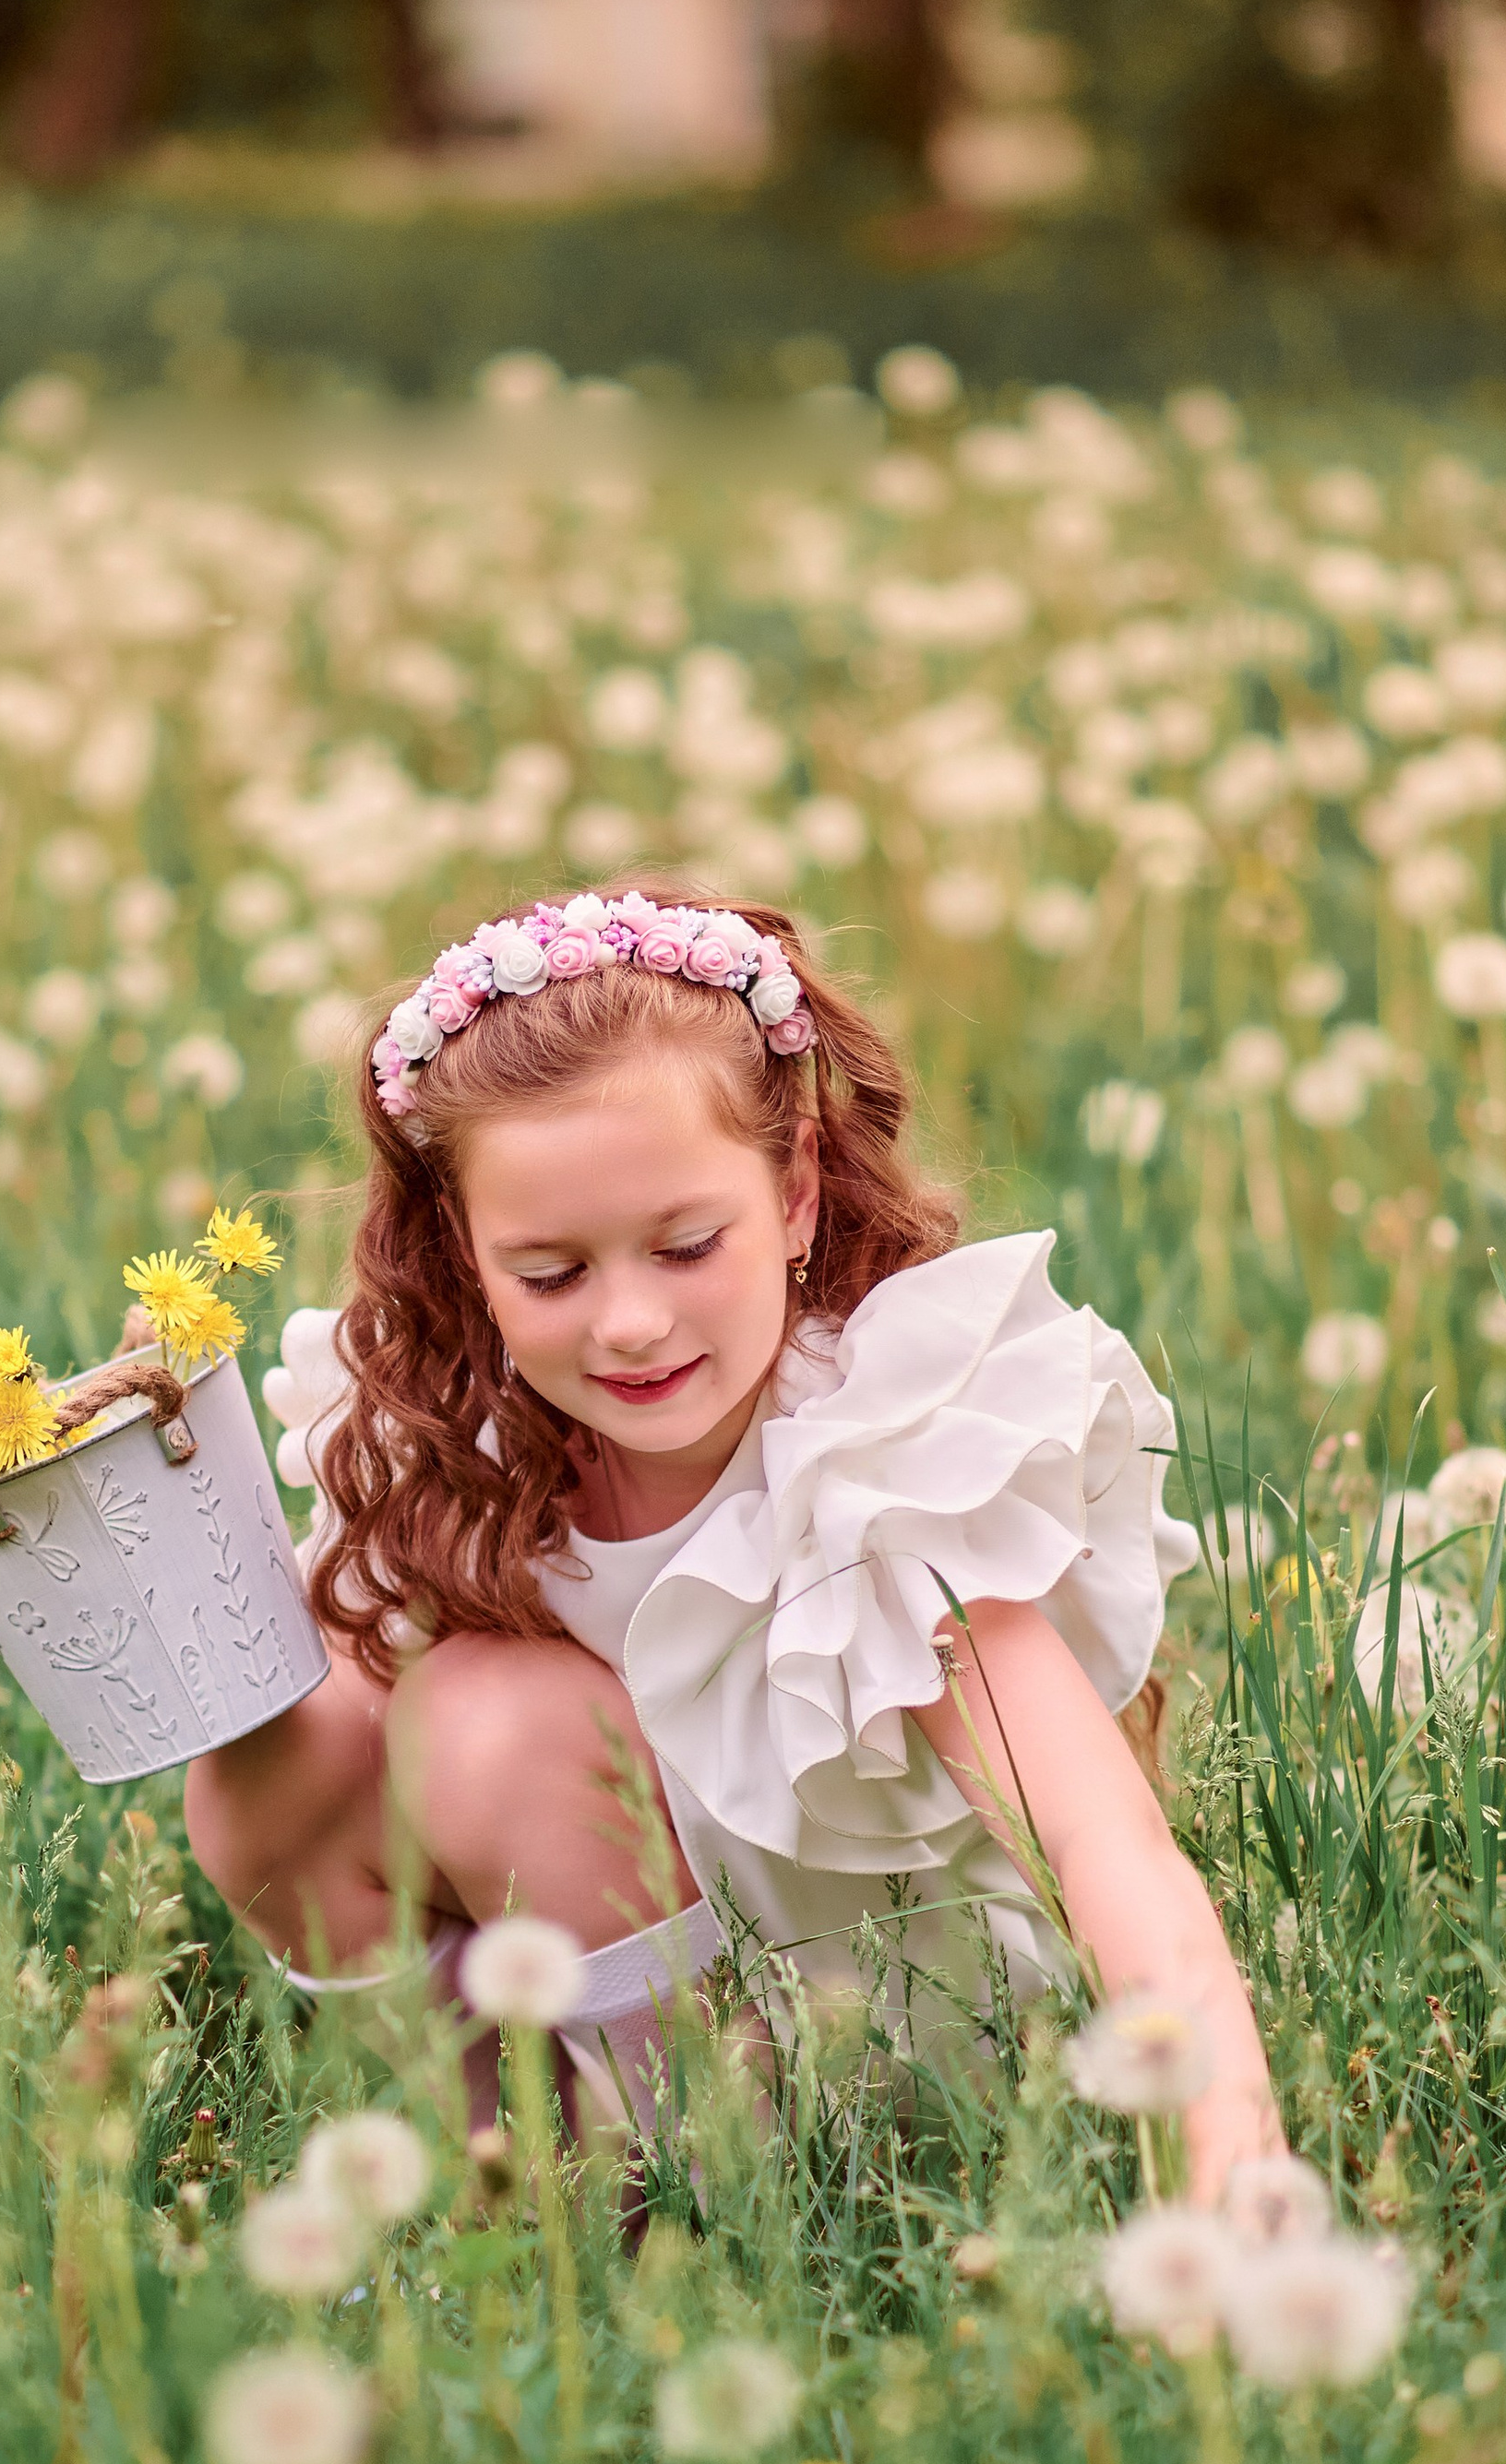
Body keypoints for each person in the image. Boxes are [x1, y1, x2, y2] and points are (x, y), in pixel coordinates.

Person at [180, 877, 1284, 2203]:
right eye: (553, 1273)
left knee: (487, 1717)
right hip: (649, 1968)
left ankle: (731, 2210)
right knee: (318, 1723)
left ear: (799, 1195)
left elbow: (1107, 1846)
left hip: (896, 2047)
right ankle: (508, 2177)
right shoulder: (463, 1445)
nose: (632, 1323)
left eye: (688, 1244)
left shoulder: (877, 1471)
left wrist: (1232, 2158)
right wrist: (49, 1487)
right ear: (465, 1255)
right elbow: (271, 1751)